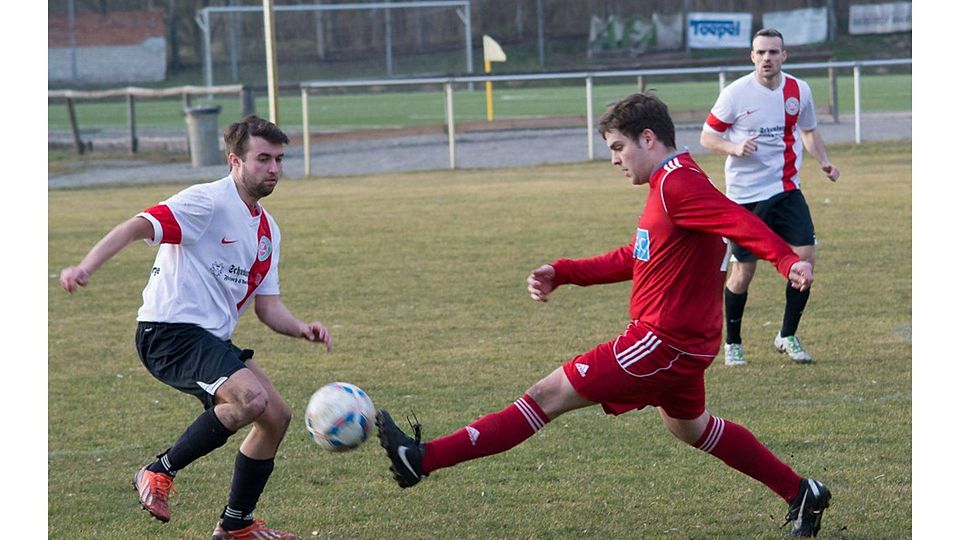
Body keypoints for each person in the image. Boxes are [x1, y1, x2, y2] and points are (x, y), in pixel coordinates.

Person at [375, 92, 831, 537]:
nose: (614, 159)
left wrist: (788, 261)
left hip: (662, 342)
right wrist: (565, 272)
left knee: (544, 395)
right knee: (693, 429)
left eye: (618, 147)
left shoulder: (679, 184)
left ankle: (421, 458)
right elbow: (635, 256)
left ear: (648, 138)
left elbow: (739, 221)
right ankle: (800, 491)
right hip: (682, 346)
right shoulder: (670, 184)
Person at [60, 115, 332, 540]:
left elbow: (268, 307)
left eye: (279, 159)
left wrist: (301, 328)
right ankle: (157, 472)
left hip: (207, 338)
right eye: (263, 158)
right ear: (235, 161)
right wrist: (85, 266)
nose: (274, 169)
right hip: (168, 331)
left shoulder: (267, 230)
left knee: (276, 416)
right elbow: (138, 225)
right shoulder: (206, 202)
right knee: (250, 399)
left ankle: (236, 524)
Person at [700, 28, 840, 366]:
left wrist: (824, 161)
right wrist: (734, 147)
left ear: (784, 55)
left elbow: (807, 131)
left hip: (787, 189)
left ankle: (787, 335)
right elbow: (707, 136)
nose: (767, 58)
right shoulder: (735, 94)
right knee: (743, 273)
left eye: (773, 52)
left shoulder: (798, 90)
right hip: (745, 197)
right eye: (761, 52)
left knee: (804, 261)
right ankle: (733, 342)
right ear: (752, 57)